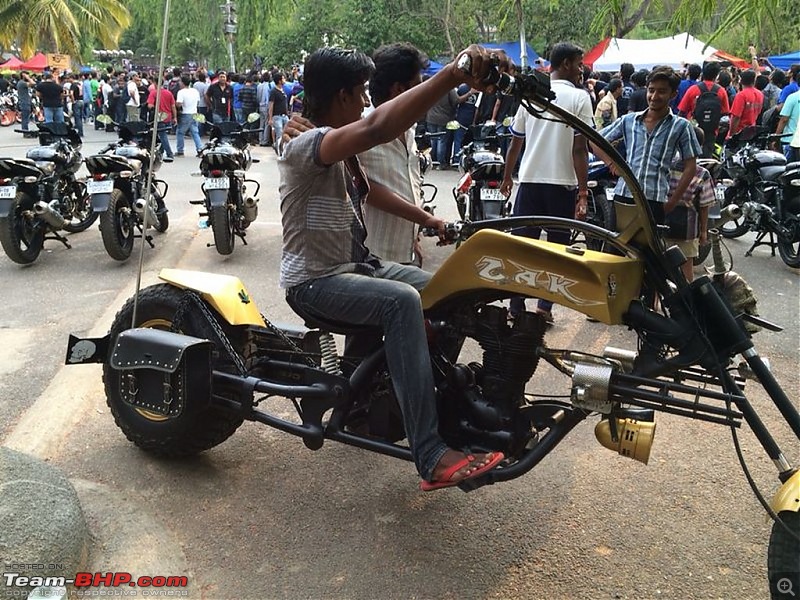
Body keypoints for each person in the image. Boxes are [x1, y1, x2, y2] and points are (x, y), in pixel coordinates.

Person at [278, 45, 506, 491]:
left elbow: (371, 191)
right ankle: (430, 454)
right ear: (343, 95)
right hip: (314, 281)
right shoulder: (308, 144)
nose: (367, 101)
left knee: (455, 289)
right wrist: (456, 73)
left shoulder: (332, 143)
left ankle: (441, 406)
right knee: (402, 303)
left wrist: (429, 220)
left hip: (361, 266)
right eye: (362, 92)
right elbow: (379, 125)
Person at [499, 42, 593, 324]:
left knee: (522, 249)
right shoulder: (580, 98)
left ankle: (516, 307)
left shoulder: (533, 96)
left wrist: (507, 177)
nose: (581, 69)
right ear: (565, 64)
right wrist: (583, 191)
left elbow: (516, 143)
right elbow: (580, 149)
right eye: (578, 63)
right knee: (556, 251)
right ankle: (544, 308)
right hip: (561, 186)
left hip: (529, 184)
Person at [598, 66, 701, 231]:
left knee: (648, 253)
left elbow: (690, 167)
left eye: (662, 91)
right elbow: (595, 140)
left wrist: (673, 201)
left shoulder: (681, 126)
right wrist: (611, 163)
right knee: (618, 251)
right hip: (624, 196)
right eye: (651, 90)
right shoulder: (629, 121)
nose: (654, 96)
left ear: (673, 94)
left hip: (655, 200)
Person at [663, 128, 715, 281]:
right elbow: (705, 206)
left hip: (662, 224)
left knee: (660, 272)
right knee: (687, 273)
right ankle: (687, 303)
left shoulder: (666, 166)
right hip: (688, 229)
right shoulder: (702, 173)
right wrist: (703, 232)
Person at [678, 61, 729, 158]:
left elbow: (682, 111)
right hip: (712, 130)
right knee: (707, 157)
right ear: (716, 76)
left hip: (693, 129)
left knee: (690, 156)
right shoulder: (721, 91)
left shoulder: (693, 89)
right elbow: (725, 113)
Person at [727, 69, 763, 138]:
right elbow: (758, 112)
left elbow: (735, 117)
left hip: (739, 132)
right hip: (751, 132)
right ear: (754, 81)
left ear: (741, 81)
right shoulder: (760, 94)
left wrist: (731, 135)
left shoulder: (741, 95)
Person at [174, 75, 203, 157]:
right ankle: (199, 149)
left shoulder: (181, 92)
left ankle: (180, 150)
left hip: (185, 114)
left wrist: (176, 105)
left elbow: (179, 103)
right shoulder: (195, 91)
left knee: (180, 132)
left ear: (183, 83)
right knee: (195, 132)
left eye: (180, 81)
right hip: (194, 113)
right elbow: (197, 102)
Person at [146, 86, 177, 161]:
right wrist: (175, 117)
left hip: (159, 117)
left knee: (163, 136)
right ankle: (160, 151)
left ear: (155, 83)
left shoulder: (154, 93)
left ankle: (169, 153)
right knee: (164, 136)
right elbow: (173, 106)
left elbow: (150, 105)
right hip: (168, 116)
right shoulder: (169, 93)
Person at [267, 72, 289, 154]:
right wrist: (270, 118)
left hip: (285, 116)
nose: (284, 80)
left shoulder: (282, 90)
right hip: (277, 116)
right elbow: (271, 105)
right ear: (279, 81)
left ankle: (285, 150)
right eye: (283, 78)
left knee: (287, 132)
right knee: (279, 134)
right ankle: (280, 151)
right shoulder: (273, 91)